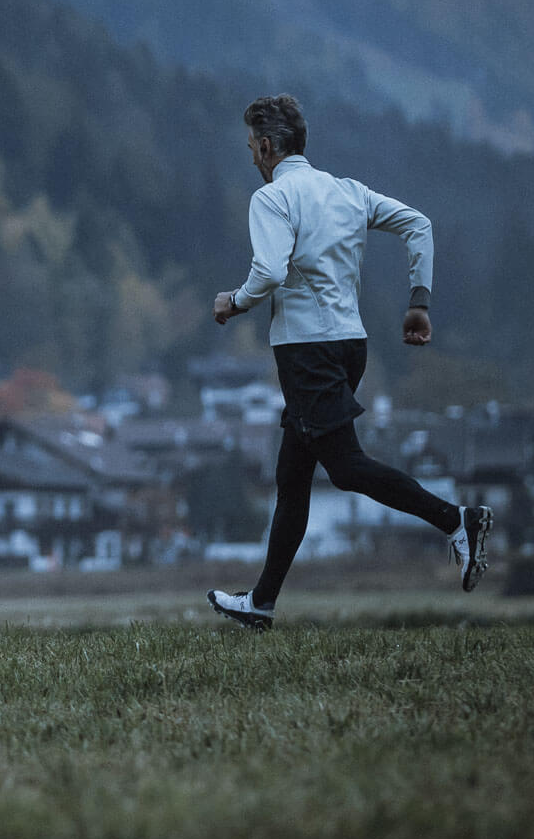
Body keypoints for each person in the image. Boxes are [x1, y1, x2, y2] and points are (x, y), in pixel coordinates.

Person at [206, 94, 489, 630]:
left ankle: (458, 520)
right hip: (349, 345)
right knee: (292, 477)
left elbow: (268, 272)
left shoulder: (271, 198)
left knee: (345, 467)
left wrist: (233, 302)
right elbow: (419, 224)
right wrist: (419, 301)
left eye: (250, 148)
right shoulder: (348, 192)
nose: (251, 157)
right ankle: (261, 603)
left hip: (306, 352)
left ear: (265, 147)